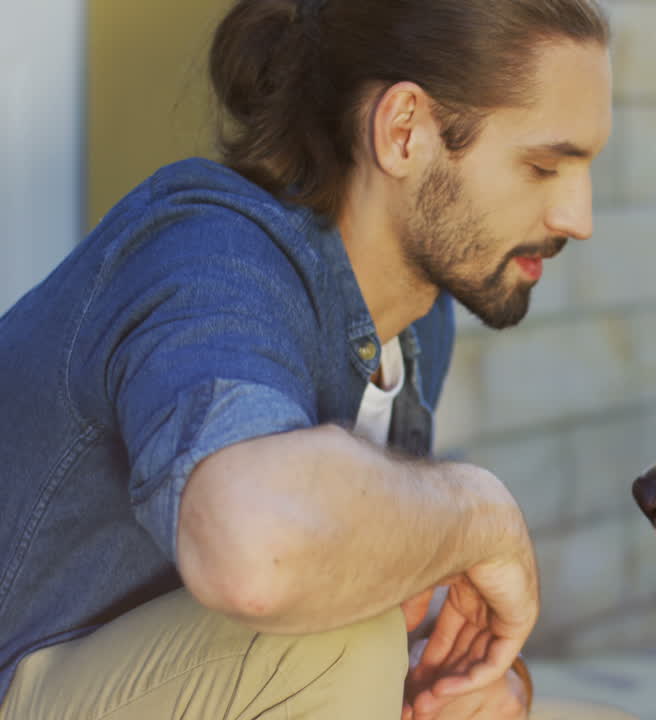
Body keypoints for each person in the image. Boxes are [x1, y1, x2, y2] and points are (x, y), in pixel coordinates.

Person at [0, 0, 612, 718]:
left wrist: (461, 683)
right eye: (545, 166)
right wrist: (479, 513)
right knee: (343, 639)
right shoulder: (210, 255)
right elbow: (260, 555)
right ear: (404, 131)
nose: (580, 217)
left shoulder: (419, 321)